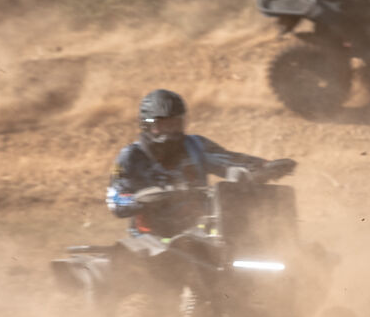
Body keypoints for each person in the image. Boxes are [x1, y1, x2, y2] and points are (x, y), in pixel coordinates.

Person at [106, 89, 294, 238]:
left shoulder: (195, 146)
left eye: (175, 124)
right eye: (163, 125)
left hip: (201, 234)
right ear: (147, 124)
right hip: (151, 240)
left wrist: (265, 167)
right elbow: (116, 202)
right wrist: (149, 197)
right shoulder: (131, 156)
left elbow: (231, 161)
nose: (170, 131)